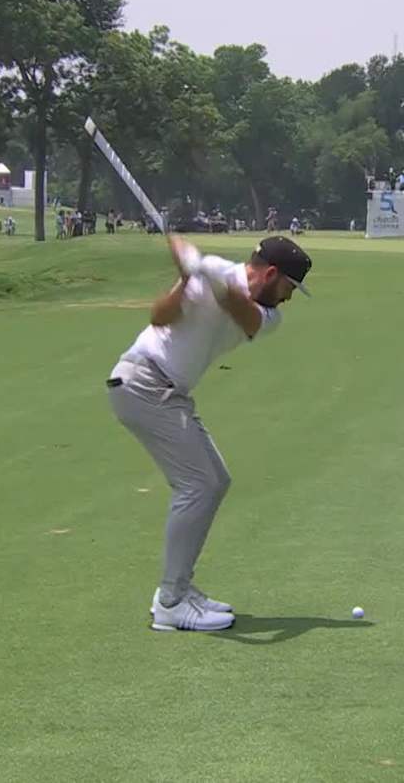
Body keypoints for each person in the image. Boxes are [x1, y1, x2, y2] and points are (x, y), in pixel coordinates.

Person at [107, 234, 312, 632]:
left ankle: (179, 590)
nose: (288, 297)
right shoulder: (208, 272)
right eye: (289, 286)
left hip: (168, 392)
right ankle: (170, 600)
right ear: (271, 274)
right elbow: (159, 316)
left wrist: (213, 279)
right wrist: (187, 278)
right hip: (141, 383)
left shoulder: (266, 314)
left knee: (213, 481)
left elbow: (243, 313)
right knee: (199, 484)